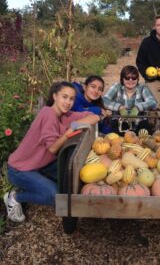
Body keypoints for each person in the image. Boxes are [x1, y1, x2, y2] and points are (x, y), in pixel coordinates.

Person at [4, 81, 101, 223]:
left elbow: (94, 116)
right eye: (64, 97)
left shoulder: (66, 115)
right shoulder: (48, 113)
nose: (68, 102)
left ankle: (42, 181)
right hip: (19, 170)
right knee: (54, 195)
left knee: (74, 171)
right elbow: (53, 148)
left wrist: (75, 124)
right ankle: (15, 197)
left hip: (39, 165)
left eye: (72, 99)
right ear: (55, 96)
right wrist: (70, 132)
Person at [103, 65, 157, 134]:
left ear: (137, 79)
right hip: (120, 124)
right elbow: (104, 100)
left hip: (138, 124)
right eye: (127, 78)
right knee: (114, 129)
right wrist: (119, 107)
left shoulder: (142, 88)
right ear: (122, 79)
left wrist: (138, 108)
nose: (130, 80)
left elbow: (152, 102)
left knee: (145, 127)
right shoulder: (117, 87)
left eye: (134, 78)